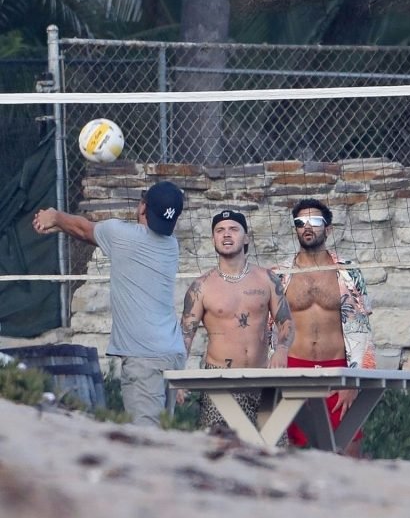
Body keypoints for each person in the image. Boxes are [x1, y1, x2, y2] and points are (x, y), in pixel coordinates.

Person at [33, 181, 187, 427]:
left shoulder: (123, 236)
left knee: (145, 438)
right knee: (163, 433)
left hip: (144, 357)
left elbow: (83, 229)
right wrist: (61, 226)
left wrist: (54, 216)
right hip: (171, 353)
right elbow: (82, 230)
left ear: (142, 207)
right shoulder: (171, 245)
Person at [274, 198, 375, 456]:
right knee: (290, 451)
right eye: (300, 222)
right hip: (293, 369)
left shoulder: (349, 272)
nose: (307, 226)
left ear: (328, 229)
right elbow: (266, 327)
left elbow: (361, 327)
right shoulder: (279, 275)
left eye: (315, 221)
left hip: (337, 370)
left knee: (348, 447)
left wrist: (353, 379)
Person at [179, 210, 295, 432]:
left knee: (272, 447)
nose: (226, 234)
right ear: (213, 238)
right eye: (220, 230)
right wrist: (178, 378)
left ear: (246, 237)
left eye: (233, 229)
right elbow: (185, 336)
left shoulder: (267, 279)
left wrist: (281, 350)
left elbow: (286, 322)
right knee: (221, 446)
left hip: (263, 378)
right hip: (220, 381)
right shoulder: (201, 286)